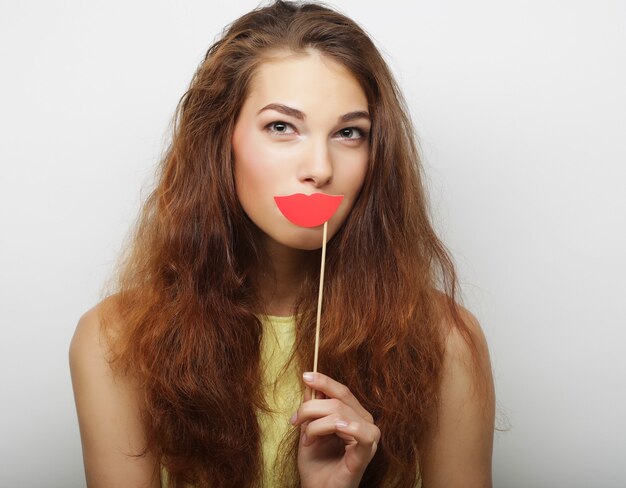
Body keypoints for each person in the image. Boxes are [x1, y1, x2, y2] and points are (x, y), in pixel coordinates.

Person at [69, 1, 495, 487]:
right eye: (281, 127)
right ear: (218, 140)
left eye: (349, 133)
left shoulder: (446, 341)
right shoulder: (116, 341)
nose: (320, 167)